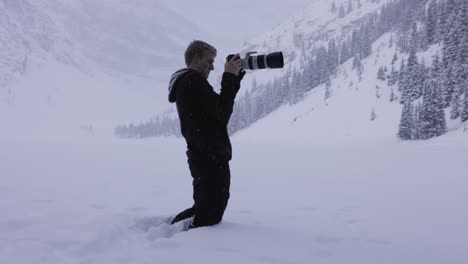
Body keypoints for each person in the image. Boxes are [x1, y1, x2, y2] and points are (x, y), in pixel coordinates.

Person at [168, 40, 245, 229]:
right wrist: (228, 78)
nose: (212, 67)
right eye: (209, 61)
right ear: (196, 58)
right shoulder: (193, 81)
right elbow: (222, 114)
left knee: (204, 208)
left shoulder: (189, 82)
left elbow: (218, 112)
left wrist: (233, 80)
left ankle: (171, 231)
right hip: (209, 157)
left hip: (203, 156)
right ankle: (184, 244)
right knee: (210, 214)